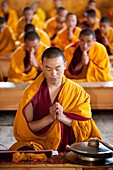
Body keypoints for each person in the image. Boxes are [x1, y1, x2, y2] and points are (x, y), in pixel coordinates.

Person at [9, 47, 102, 159]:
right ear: (41, 66)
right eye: (48, 69)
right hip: (40, 143)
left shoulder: (77, 92)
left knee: (93, 152)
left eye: (58, 68)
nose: (53, 74)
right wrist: (50, 118)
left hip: (71, 144)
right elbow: (25, 129)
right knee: (19, 154)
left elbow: (85, 130)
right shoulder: (31, 93)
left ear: (65, 65)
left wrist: (62, 117)